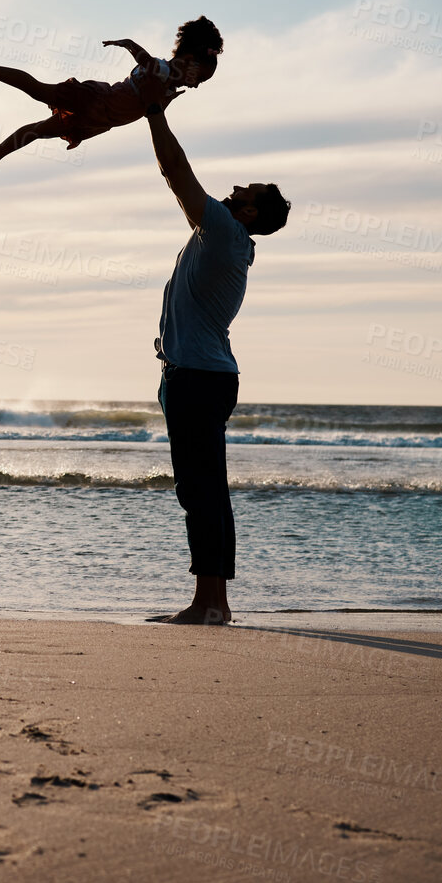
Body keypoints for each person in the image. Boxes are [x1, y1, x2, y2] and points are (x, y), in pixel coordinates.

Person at [143, 102, 290, 625]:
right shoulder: (224, 235)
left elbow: (176, 172)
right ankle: (211, 603)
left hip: (199, 380)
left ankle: (212, 605)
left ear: (249, 213)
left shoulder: (226, 231)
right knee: (200, 490)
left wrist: (153, 114)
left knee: (201, 491)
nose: (235, 190)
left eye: (245, 193)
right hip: (191, 376)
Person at [0, 16, 223, 183]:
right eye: (199, 77)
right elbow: (146, 61)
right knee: (38, 90)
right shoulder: (162, 71)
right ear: (187, 60)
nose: (196, 85)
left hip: (97, 119)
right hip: (94, 102)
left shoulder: (168, 86)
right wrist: (128, 43)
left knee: (39, 131)